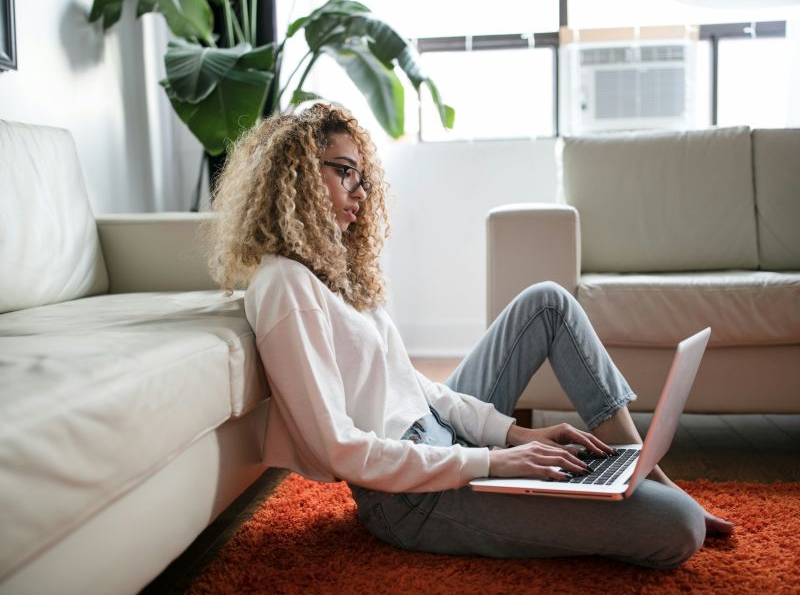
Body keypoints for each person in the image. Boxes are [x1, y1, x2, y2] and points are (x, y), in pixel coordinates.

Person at [204, 103, 732, 570]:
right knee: (679, 527)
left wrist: (512, 436)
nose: (359, 192)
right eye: (345, 173)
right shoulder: (284, 285)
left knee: (546, 301)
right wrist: (491, 461)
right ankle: (648, 489)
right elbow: (338, 448)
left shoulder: (331, 271)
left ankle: (639, 466)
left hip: (441, 439)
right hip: (409, 497)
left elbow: (415, 387)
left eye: (362, 177)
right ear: (295, 175)